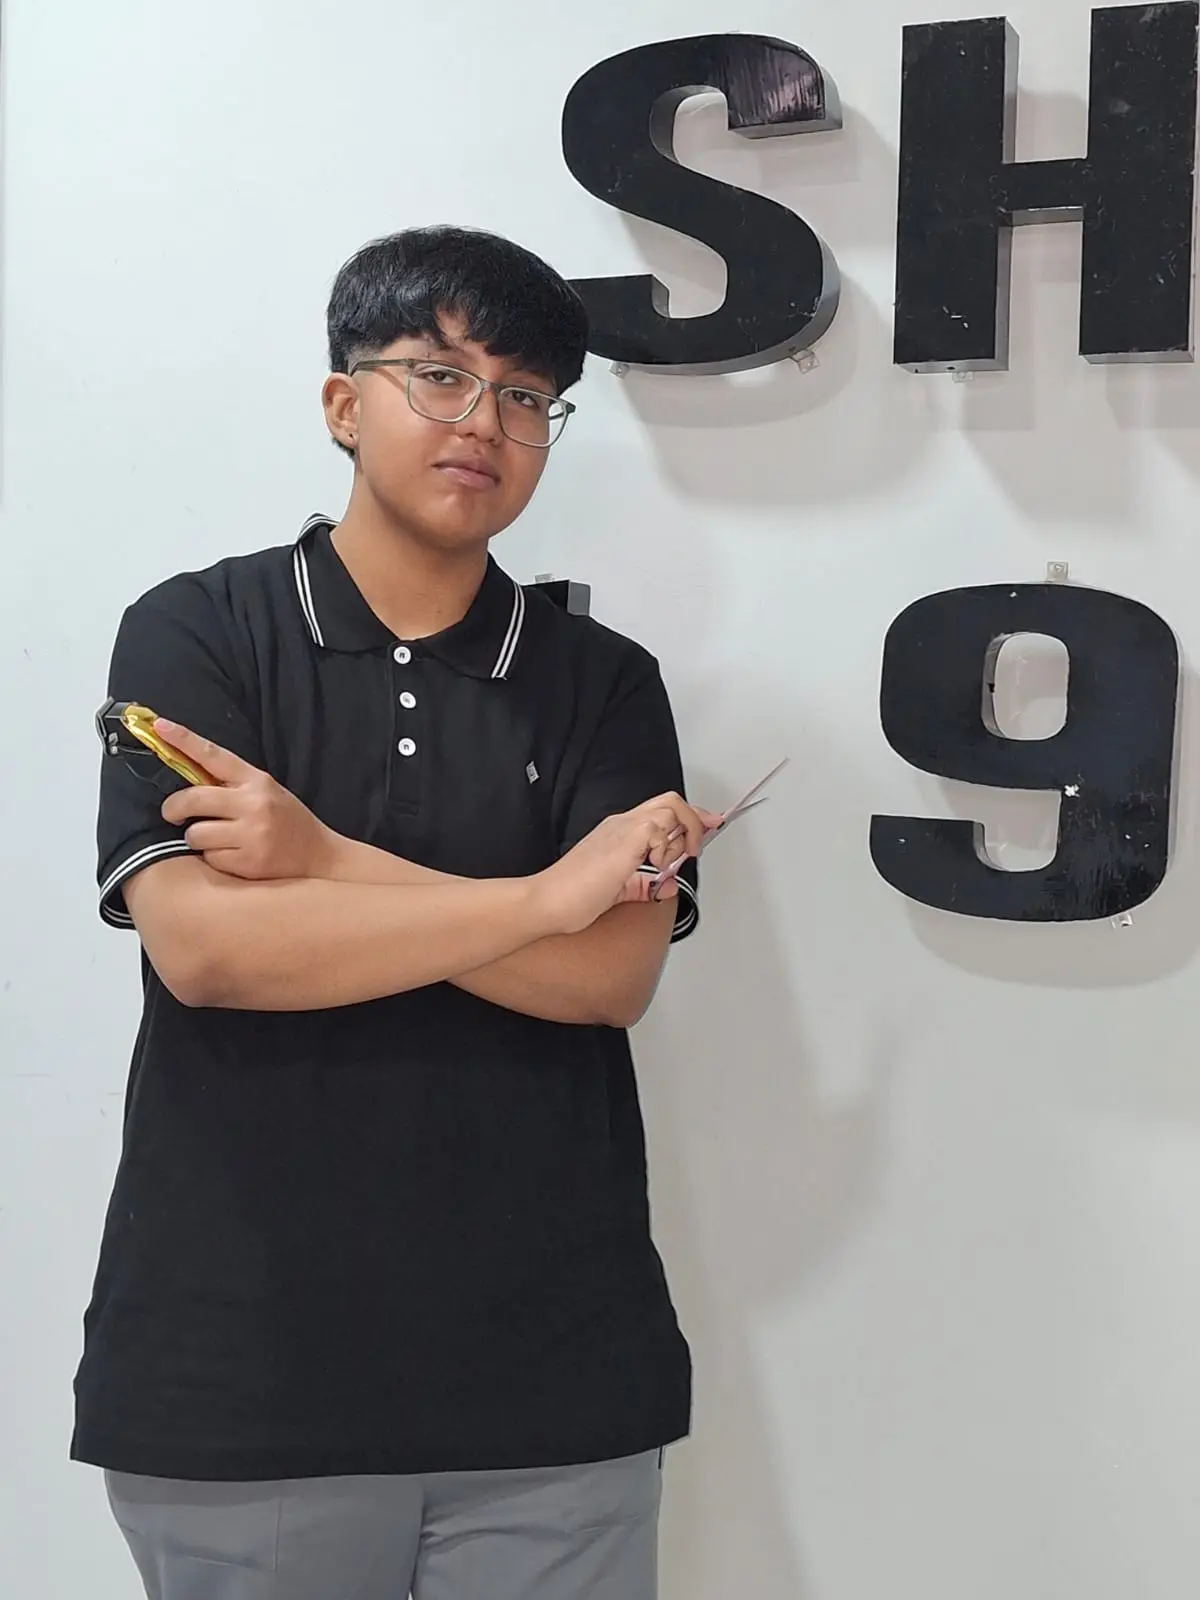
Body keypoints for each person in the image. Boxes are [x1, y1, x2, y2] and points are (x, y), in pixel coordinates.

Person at [74, 226, 715, 1600]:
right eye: (439, 375)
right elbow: (212, 951)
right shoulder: (199, 632)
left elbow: (608, 977)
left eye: (527, 396)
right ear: (343, 403)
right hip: (243, 1380)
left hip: (557, 1382)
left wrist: (323, 861)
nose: (484, 422)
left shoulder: (606, 683)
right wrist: (542, 900)